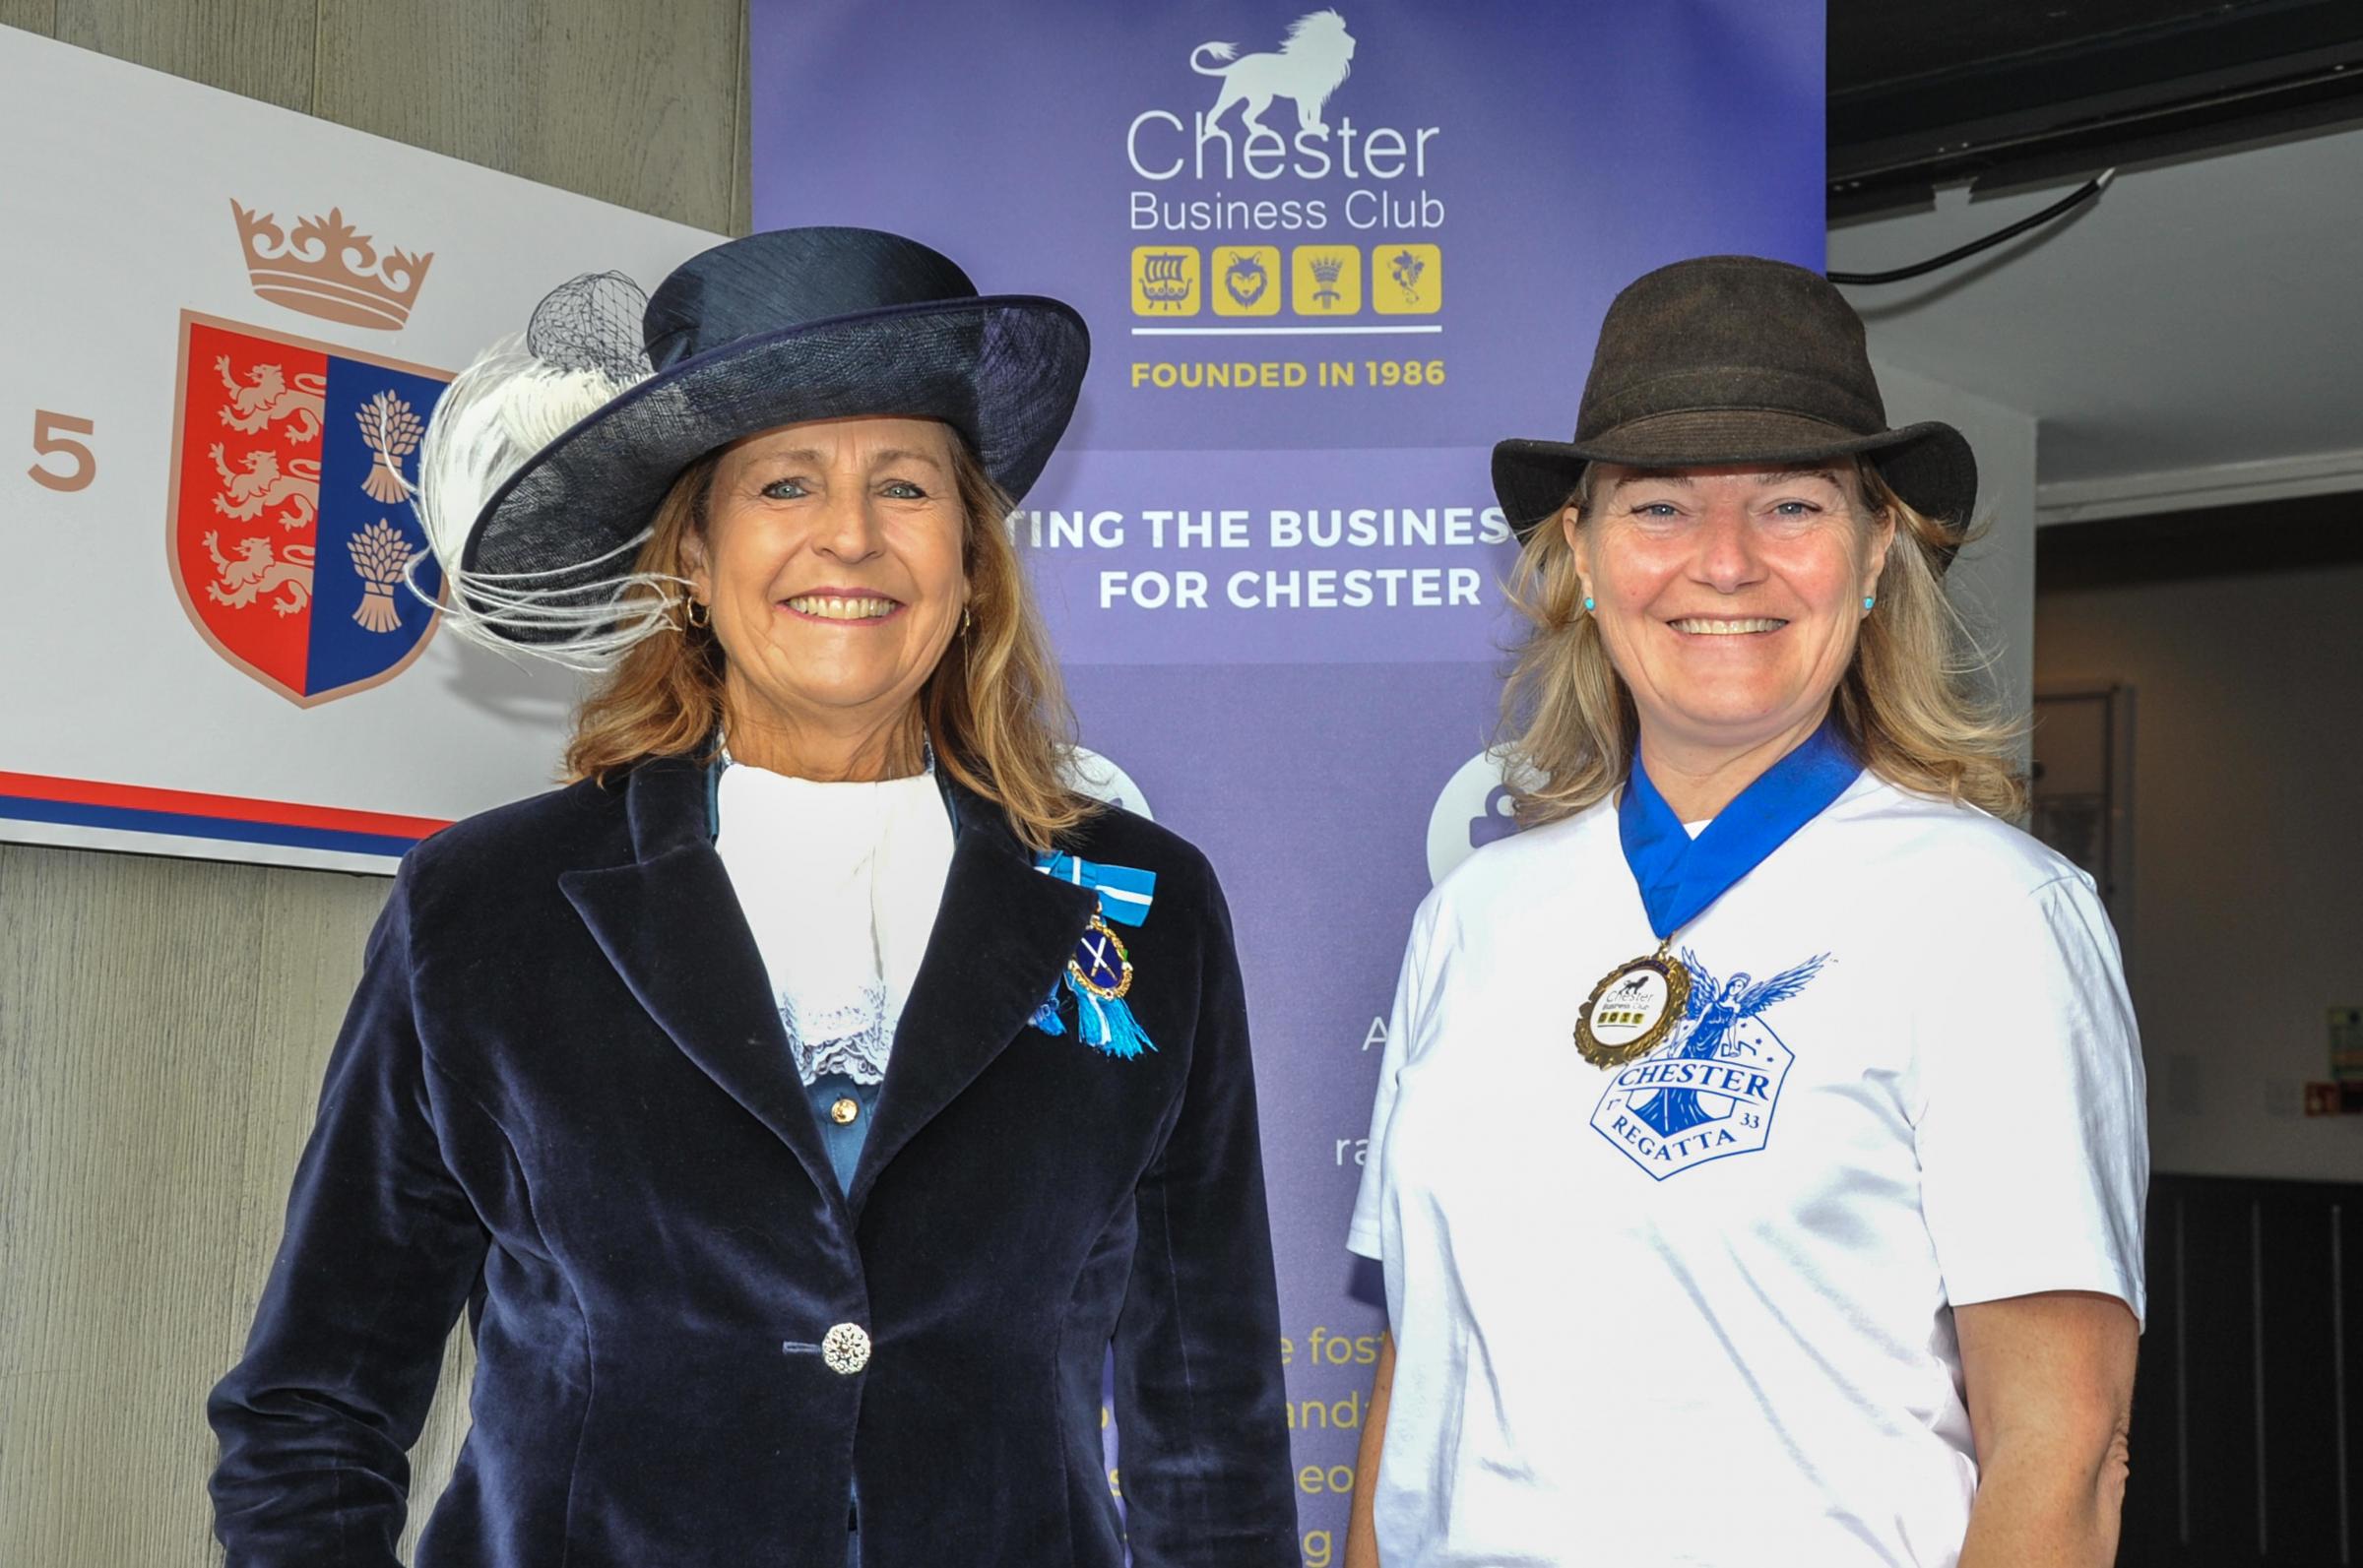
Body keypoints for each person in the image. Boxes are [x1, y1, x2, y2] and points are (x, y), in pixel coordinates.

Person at [207, 227, 1299, 1568]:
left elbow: (1211, 1417)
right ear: (695, 559)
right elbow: (313, 1407)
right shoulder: (485, 909)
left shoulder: (1144, 904)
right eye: (785, 483)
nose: (851, 533)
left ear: (969, 562)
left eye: (905, 484)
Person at [1343, 256, 2145, 1567]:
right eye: (1658, 504)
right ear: (1584, 558)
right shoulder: (1474, 917)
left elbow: (2061, 1456)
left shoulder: (1994, 917)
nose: (1724, 561)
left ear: (1877, 546)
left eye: (1790, 501)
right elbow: (1415, 1373)